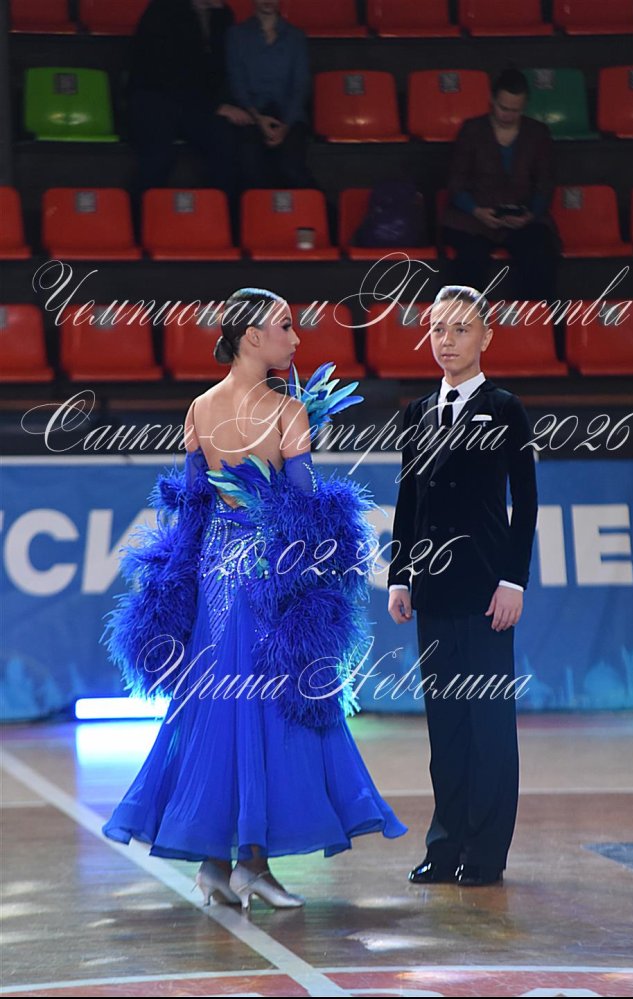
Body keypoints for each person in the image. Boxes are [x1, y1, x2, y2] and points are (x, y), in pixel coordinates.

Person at [101, 288, 408, 911]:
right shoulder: (286, 412)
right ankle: (252, 865)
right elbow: (307, 511)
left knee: (216, 706)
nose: (296, 339)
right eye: (285, 327)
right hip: (270, 570)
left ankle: (217, 865)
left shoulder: (199, 407)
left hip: (215, 571)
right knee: (271, 705)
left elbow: (192, 507)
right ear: (251, 337)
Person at [387, 284, 538, 887]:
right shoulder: (416, 414)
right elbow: (408, 501)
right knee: (445, 725)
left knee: (489, 725)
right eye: (437, 329)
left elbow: (525, 503)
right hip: (432, 592)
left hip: (485, 592)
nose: (446, 340)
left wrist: (513, 581)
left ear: (486, 336)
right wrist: (400, 575)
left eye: (460, 329)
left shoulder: (506, 409)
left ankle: (485, 851)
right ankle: (445, 845)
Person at [441, 68, 561, 303]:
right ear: (492, 101)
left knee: (539, 254)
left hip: (522, 218)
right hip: (474, 219)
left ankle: (535, 321)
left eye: (515, 110)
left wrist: (530, 214)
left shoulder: (537, 134)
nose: (508, 115)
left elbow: (545, 182)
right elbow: (455, 181)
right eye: (503, 108)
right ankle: (466, 320)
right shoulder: (472, 130)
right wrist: (475, 210)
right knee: (470, 257)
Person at [126, 0, 248, 212]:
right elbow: (162, 72)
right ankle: (138, 220)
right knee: (158, 156)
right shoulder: (162, 10)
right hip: (155, 98)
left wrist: (222, 104)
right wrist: (213, 106)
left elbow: (221, 70)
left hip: (198, 103)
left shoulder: (223, 15)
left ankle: (220, 219)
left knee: (226, 144)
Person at [224, 0, 314, 188]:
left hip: (289, 115)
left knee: (291, 167)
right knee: (249, 166)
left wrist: (286, 125)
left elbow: (301, 85)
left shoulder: (296, 37)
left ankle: (318, 204)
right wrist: (257, 118)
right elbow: (237, 82)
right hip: (251, 114)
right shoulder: (236, 35)